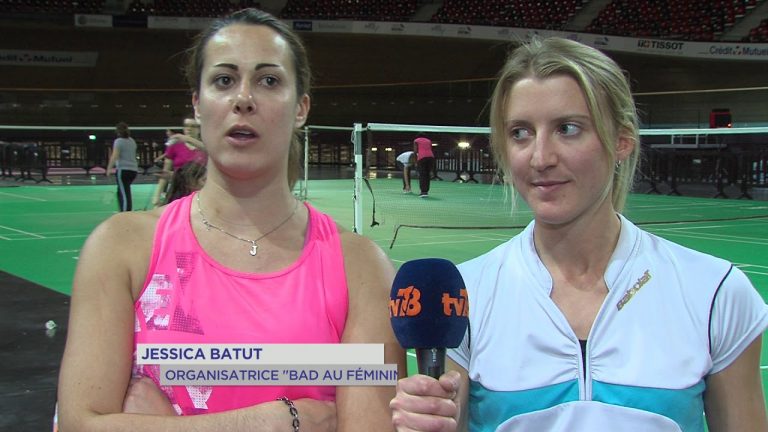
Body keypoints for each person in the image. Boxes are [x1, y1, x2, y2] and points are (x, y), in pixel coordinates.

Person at [390, 37, 768, 431]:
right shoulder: (463, 294)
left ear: (621, 140)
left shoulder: (714, 292)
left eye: (567, 129)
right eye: (521, 132)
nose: (540, 158)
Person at [57, 8, 405, 432]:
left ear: (301, 108)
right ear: (198, 105)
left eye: (269, 81)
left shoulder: (361, 268)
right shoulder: (122, 249)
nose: (244, 98)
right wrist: (278, 420)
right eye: (224, 80)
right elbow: (80, 424)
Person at [151, 118, 207, 207]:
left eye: (193, 126)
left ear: (199, 129)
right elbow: (165, 172)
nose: (189, 129)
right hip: (178, 191)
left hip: (200, 193)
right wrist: (157, 194)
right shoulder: (174, 146)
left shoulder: (206, 147)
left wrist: (187, 139)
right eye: (186, 126)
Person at [105, 121, 138, 211]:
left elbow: (115, 156)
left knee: (124, 193)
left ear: (118, 131)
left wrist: (109, 168)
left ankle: (125, 213)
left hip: (123, 170)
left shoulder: (118, 141)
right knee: (122, 191)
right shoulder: (132, 141)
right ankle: (123, 210)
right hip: (133, 170)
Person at [413, 133, 435, 197]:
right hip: (431, 157)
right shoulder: (429, 140)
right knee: (427, 175)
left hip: (422, 157)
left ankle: (423, 192)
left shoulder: (416, 140)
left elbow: (415, 151)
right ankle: (426, 191)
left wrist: (415, 162)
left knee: (422, 174)